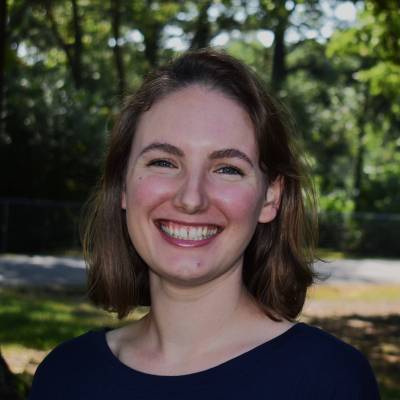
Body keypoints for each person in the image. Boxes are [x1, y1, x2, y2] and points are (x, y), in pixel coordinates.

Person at [29, 49, 380, 399]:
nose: (191, 198)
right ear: (123, 184)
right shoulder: (64, 377)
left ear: (270, 197)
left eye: (227, 169)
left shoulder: (330, 381)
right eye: (164, 162)